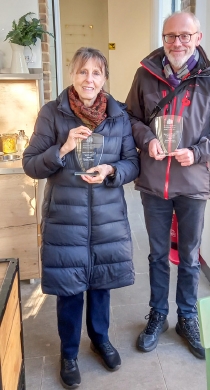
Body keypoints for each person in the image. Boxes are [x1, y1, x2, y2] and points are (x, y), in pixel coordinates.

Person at [125, 11, 210, 359]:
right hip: (153, 185)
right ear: (163, 39)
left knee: (190, 258)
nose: (177, 42)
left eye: (184, 36)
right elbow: (130, 117)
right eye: (170, 36)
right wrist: (147, 140)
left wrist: (197, 152)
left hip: (192, 183)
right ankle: (158, 314)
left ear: (198, 38)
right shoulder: (145, 75)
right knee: (157, 255)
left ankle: (187, 317)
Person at [23, 47, 139, 389]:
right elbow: (31, 165)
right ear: (72, 74)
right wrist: (62, 149)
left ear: (104, 78)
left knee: (101, 283)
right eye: (83, 71)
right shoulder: (52, 114)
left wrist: (111, 170)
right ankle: (69, 352)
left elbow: (132, 162)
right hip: (65, 217)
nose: (89, 79)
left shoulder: (118, 116)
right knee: (70, 288)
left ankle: (100, 339)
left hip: (107, 218)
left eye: (96, 73)